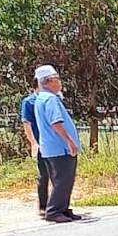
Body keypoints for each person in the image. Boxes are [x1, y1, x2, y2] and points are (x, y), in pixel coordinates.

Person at [32, 64, 83, 223]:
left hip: (49, 148)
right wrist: (69, 141)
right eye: (57, 79)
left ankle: (63, 209)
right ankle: (54, 211)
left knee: (60, 180)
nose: (60, 82)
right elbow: (56, 122)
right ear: (49, 82)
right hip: (59, 147)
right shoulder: (50, 99)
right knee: (63, 181)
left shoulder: (41, 98)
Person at [19, 83, 50, 218]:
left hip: (52, 142)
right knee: (44, 175)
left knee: (58, 176)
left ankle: (56, 205)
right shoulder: (29, 102)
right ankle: (43, 206)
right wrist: (33, 143)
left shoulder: (50, 99)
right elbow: (27, 124)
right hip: (41, 143)